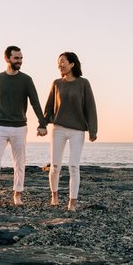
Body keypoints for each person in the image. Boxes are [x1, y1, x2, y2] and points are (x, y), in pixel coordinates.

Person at [0, 46, 48, 212]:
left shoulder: (26, 80)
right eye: (16, 58)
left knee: (20, 163)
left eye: (21, 58)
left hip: (19, 127)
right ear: (7, 59)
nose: (19, 61)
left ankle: (17, 194)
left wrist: (42, 123)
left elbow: (35, 102)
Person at [44, 51, 98, 211]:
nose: (59, 65)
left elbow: (90, 107)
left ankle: (72, 203)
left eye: (62, 62)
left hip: (77, 130)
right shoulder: (56, 83)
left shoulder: (83, 83)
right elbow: (48, 107)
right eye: (58, 62)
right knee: (55, 166)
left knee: (74, 166)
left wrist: (93, 130)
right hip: (58, 129)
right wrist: (42, 124)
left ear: (72, 64)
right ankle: (54, 196)